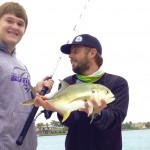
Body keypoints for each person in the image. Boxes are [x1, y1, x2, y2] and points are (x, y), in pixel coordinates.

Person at [34, 34, 129, 150]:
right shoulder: (67, 82)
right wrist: (57, 109)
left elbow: (115, 119)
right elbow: (72, 121)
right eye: (70, 52)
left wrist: (98, 114)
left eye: (76, 51)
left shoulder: (117, 83)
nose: (70, 56)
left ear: (92, 53)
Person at [0, 2, 54, 150]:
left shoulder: (21, 66)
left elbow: (13, 100)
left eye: (20, 24)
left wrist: (35, 90)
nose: (15, 27)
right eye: (9, 21)